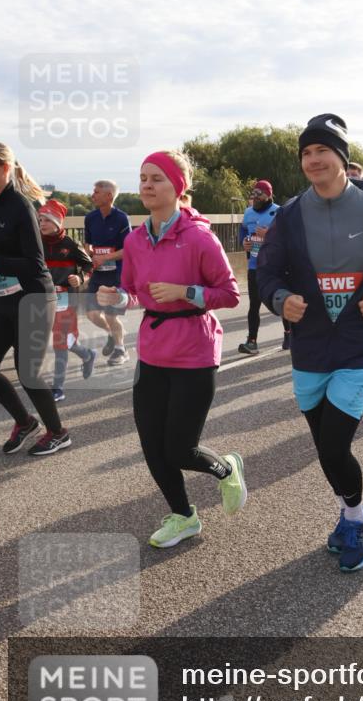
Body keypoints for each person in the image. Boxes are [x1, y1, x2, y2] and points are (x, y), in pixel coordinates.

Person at [257, 113, 363, 572]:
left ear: (342, 158)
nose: (313, 159)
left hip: (357, 344)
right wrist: (280, 298)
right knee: (323, 445)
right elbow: (266, 273)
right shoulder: (289, 216)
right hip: (308, 346)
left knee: (333, 446)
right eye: (306, 152)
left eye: (322, 150)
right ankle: (351, 511)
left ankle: (357, 517)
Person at [97, 149, 246, 549]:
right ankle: (184, 517)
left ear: (178, 187)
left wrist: (187, 292)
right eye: (143, 178)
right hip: (152, 351)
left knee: (179, 449)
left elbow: (230, 294)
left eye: (156, 178)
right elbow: (133, 291)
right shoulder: (134, 240)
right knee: (152, 447)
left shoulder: (199, 237)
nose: (146, 185)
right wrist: (118, 297)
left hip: (194, 351)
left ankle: (226, 468)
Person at [0, 143, 71, 455]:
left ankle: (58, 431)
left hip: (34, 297)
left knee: (29, 373)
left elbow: (36, 264)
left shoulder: (21, 207)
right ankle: (24, 422)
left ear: (4, 168)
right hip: (4, 298)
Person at [38, 199, 96, 401]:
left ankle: (58, 388)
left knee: (60, 343)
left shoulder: (71, 245)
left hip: (65, 299)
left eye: (46, 219)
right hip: (41, 299)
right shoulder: (35, 241)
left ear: (58, 222)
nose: (42, 223)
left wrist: (80, 278)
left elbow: (89, 266)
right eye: (40, 219)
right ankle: (87, 354)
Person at [84, 180, 131, 366]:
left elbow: (129, 250)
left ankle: (121, 349)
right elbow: (87, 244)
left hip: (116, 274)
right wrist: (87, 254)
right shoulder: (90, 218)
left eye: (96, 192)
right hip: (98, 274)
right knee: (92, 314)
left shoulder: (121, 218)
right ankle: (113, 333)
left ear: (109, 196)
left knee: (112, 316)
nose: (92, 195)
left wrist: (106, 257)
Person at [238, 180, 282, 354]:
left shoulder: (279, 212)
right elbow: (242, 230)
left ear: (268, 195)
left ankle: (288, 334)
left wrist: (269, 234)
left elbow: (288, 237)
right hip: (254, 265)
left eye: (259, 194)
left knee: (280, 301)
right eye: (253, 194)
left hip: (275, 266)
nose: (255, 198)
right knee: (254, 304)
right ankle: (252, 341)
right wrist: (243, 242)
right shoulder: (248, 213)